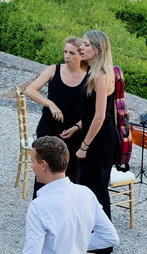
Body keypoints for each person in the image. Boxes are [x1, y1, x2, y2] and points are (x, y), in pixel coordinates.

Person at [23, 34, 97, 198]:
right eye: (65, 52)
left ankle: (66, 208)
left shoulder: (90, 76)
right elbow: (30, 90)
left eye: (72, 53)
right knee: (44, 170)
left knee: (72, 174)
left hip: (75, 131)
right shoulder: (54, 69)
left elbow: (94, 111)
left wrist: (77, 126)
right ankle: (41, 205)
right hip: (49, 128)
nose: (67, 56)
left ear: (81, 55)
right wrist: (50, 104)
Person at [71, 27, 124, 214]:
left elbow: (100, 116)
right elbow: (90, 111)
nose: (81, 48)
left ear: (98, 50)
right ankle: (90, 233)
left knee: (97, 190)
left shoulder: (101, 76)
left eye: (86, 45)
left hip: (101, 140)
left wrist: (84, 146)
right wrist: (77, 127)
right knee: (88, 187)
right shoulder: (93, 72)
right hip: (95, 134)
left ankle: (103, 241)